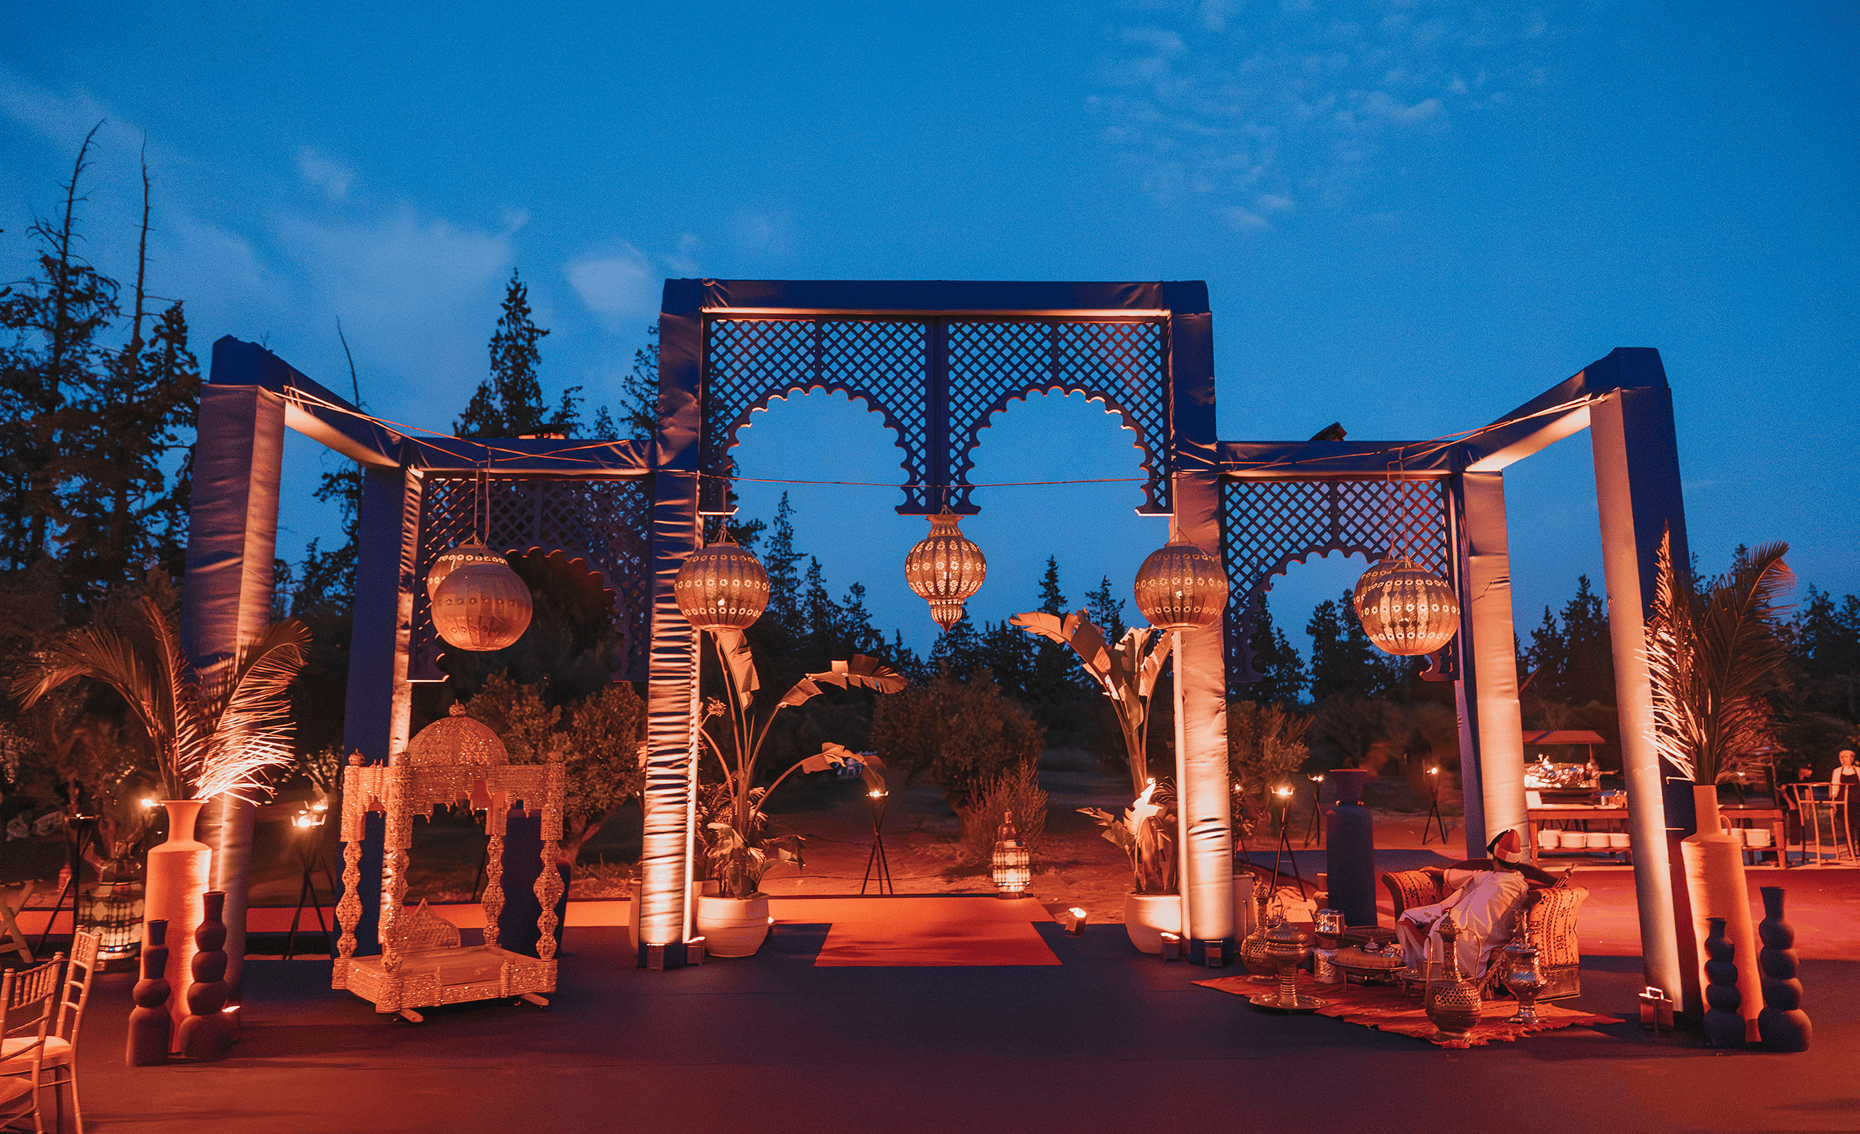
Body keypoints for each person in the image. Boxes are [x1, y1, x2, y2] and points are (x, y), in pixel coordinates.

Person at [1833, 749, 1859, 851]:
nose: (1849, 759)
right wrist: (1834, 801)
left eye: (1851, 756)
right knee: (1847, 827)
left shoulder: (1858, 770)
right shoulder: (1837, 771)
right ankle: (1851, 850)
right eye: (1846, 757)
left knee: (1858, 825)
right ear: (1842, 759)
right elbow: (1835, 786)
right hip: (1843, 802)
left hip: (1857, 801)